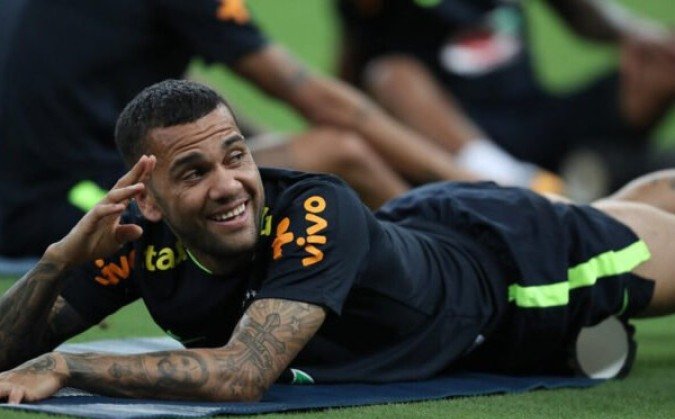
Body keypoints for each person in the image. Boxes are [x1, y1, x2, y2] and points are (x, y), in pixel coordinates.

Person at [2, 80, 674, 404]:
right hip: (427, 228)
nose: (229, 185)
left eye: (236, 156)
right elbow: (7, 353)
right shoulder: (134, 238)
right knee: (636, 205)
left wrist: (69, 366)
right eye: (194, 172)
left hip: (519, 273)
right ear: (148, 198)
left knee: (635, 231)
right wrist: (59, 261)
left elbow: (241, 372)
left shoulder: (314, 211)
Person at [1, 0, 563, 260]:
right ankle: (471, 245)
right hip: (78, 210)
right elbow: (322, 102)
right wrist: (474, 181)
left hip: (16, 204)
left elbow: (178, 93)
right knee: (339, 151)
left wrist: (255, 143)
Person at [336, 0, 675, 199]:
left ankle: (614, 172)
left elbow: (582, 15)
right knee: (390, 74)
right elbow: (356, 64)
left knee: (667, 62)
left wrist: (637, 32)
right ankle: (515, 186)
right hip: (453, 141)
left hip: (536, 115)